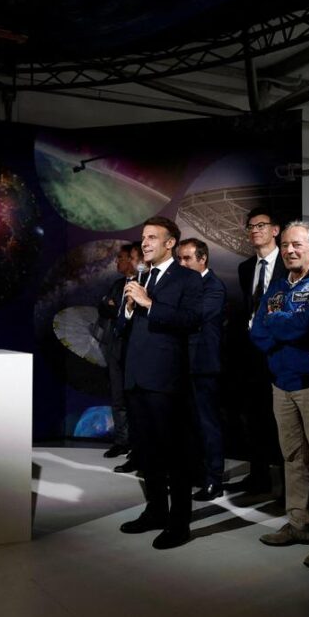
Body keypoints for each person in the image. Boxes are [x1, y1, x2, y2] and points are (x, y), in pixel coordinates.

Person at [250, 222, 309, 569]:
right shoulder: (276, 286)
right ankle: (299, 525)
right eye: (286, 245)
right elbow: (257, 332)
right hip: (282, 385)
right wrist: (285, 325)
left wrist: (279, 323)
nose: (290, 250)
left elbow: (307, 326)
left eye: (297, 245)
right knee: (293, 459)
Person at [116, 216, 204, 550]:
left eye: (153, 237)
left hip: (166, 380)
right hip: (136, 377)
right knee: (147, 452)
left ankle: (179, 523)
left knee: (174, 454)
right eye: (143, 237)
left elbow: (191, 320)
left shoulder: (187, 278)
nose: (145, 243)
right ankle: (155, 511)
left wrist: (149, 303)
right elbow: (122, 328)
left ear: (170, 243)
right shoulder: (140, 277)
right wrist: (128, 309)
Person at [234, 207, 286, 494]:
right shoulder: (245, 268)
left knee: (283, 421)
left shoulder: (288, 264)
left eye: (261, 225)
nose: (255, 230)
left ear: (275, 230)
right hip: (252, 354)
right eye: (251, 226)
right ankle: (259, 476)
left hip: (280, 352)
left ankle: (289, 486)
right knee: (254, 417)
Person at [176, 238, 227, 500]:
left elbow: (195, 317)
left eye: (187, 258)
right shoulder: (184, 286)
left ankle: (214, 480)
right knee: (189, 425)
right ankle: (196, 473)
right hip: (182, 364)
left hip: (203, 365)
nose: (182, 263)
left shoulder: (214, 287)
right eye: (179, 259)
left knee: (208, 424)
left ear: (203, 258)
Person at [97, 242, 143, 460]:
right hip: (116, 347)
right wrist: (115, 307)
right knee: (118, 398)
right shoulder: (117, 285)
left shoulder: (145, 283)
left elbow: (129, 313)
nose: (118, 261)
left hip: (135, 348)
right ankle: (121, 441)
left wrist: (116, 307)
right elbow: (103, 308)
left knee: (136, 400)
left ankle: (138, 445)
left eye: (123, 258)